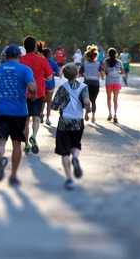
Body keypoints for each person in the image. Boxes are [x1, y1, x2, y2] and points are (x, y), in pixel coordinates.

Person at [0, 44, 38, 186]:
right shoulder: (25, 70)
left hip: (1, 111)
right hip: (19, 112)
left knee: (0, 142)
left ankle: (2, 159)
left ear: (6, 56)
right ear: (19, 56)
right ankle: (14, 176)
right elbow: (32, 88)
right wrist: (33, 93)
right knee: (17, 144)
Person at [49, 62, 92, 190]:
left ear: (65, 75)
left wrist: (61, 105)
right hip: (78, 122)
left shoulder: (63, 88)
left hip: (64, 122)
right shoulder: (83, 87)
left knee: (64, 151)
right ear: (77, 73)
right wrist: (88, 111)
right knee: (75, 145)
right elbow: (86, 102)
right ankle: (75, 158)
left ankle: (69, 178)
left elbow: (54, 106)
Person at [17, 36, 53, 154]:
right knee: (36, 117)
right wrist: (41, 77)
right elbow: (49, 77)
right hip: (38, 92)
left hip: (23, 93)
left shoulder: (20, 60)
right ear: (35, 47)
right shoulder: (42, 60)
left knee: (26, 120)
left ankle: (26, 144)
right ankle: (34, 136)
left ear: (24, 47)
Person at [80, 46, 103, 123]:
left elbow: (80, 73)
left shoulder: (84, 64)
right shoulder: (98, 64)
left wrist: (85, 74)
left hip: (87, 83)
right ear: (95, 56)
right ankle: (93, 117)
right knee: (93, 101)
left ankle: (86, 114)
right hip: (95, 84)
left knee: (87, 100)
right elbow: (102, 74)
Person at [102, 47, 124, 123]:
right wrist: (117, 72)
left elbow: (104, 71)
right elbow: (122, 72)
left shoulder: (105, 62)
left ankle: (109, 114)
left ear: (108, 54)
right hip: (117, 82)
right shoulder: (119, 62)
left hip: (109, 82)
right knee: (115, 99)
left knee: (109, 98)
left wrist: (108, 72)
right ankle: (115, 114)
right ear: (116, 54)